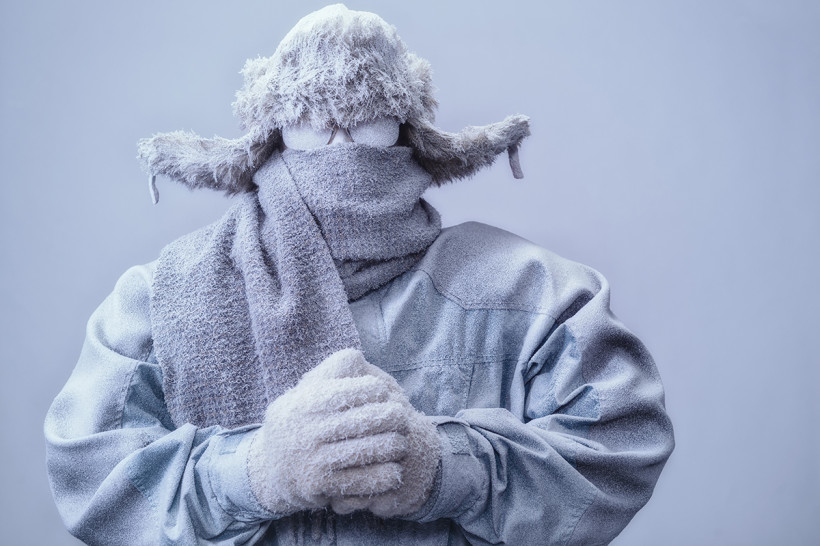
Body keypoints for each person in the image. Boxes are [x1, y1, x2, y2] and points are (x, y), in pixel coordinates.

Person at [45, 5, 674, 545]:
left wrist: (443, 466)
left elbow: (623, 445)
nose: (341, 141)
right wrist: (255, 471)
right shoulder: (160, 300)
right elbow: (92, 479)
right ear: (273, 133)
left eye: (365, 116)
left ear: (407, 129)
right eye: (314, 119)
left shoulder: (533, 292)